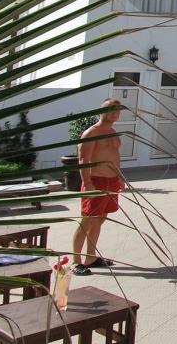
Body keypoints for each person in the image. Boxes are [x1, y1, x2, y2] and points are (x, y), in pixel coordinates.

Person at [71, 99, 125, 276]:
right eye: (111, 110)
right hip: (95, 181)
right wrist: (87, 183)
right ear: (102, 112)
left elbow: (115, 156)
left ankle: (91, 257)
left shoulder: (113, 132)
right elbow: (83, 160)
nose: (114, 114)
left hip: (111, 181)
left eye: (117, 111)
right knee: (87, 220)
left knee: (100, 219)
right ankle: (76, 261)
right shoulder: (91, 133)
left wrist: (119, 178)